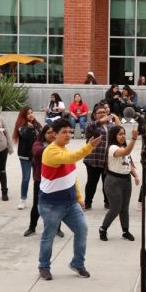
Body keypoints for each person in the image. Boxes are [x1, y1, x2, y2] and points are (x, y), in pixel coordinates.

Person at [37, 119, 101, 280]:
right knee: (48, 236)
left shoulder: (64, 149)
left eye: (69, 131)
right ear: (54, 134)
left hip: (70, 202)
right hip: (51, 204)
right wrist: (89, 146)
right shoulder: (51, 152)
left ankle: (77, 264)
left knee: (82, 229)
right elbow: (72, 158)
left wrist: (79, 197)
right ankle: (44, 266)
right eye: (64, 132)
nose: (68, 135)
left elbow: (71, 176)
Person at [99, 125, 140, 242]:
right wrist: (134, 139)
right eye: (120, 134)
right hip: (113, 181)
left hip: (126, 180)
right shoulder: (112, 148)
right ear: (114, 136)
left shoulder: (123, 146)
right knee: (115, 208)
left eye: (123, 134)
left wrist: (135, 175)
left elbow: (128, 163)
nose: (122, 136)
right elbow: (126, 151)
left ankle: (125, 231)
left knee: (125, 208)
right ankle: (103, 228)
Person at [23, 125, 63, 238]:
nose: (51, 135)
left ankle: (57, 229)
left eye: (54, 132)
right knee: (37, 204)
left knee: (56, 205)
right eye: (48, 132)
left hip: (56, 180)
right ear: (43, 134)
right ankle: (32, 227)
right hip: (40, 180)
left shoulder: (60, 145)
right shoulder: (38, 144)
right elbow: (37, 152)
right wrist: (54, 146)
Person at [14, 107, 42, 210]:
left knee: (38, 178)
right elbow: (24, 135)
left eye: (32, 112)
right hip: (25, 156)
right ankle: (23, 199)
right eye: (28, 113)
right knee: (26, 178)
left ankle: (39, 199)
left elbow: (42, 135)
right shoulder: (21, 125)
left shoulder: (36, 124)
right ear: (23, 115)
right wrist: (29, 128)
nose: (31, 115)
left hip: (36, 156)